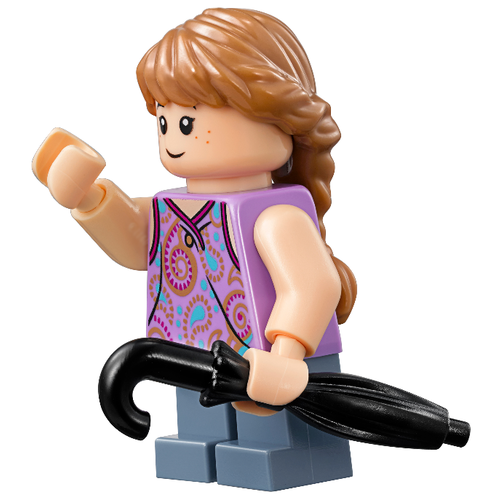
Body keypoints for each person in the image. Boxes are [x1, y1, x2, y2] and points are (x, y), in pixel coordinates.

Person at [32, 8, 356, 491]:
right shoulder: (175, 206)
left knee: (273, 436)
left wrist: (287, 355)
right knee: (199, 424)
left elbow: (312, 286)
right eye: (164, 120)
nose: (172, 136)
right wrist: (90, 199)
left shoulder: (275, 214)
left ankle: (279, 456)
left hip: (270, 360)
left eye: (188, 122)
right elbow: (139, 245)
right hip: (192, 348)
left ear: (278, 114)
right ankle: (200, 448)